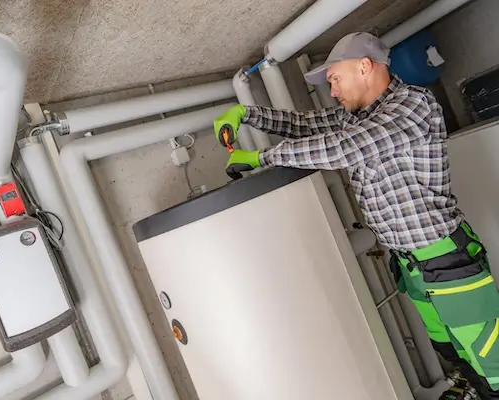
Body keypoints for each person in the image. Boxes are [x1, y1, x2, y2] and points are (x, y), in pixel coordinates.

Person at [213, 31, 499, 400]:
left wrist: (263, 158)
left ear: (364, 66)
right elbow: (307, 126)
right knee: (451, 350)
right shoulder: (360, 117)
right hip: (413, 267)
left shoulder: (414, 105)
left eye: (335, 79)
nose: (332, 90)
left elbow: (347, 148)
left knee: (494, 365)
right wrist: (246, 114)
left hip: (446, 258)